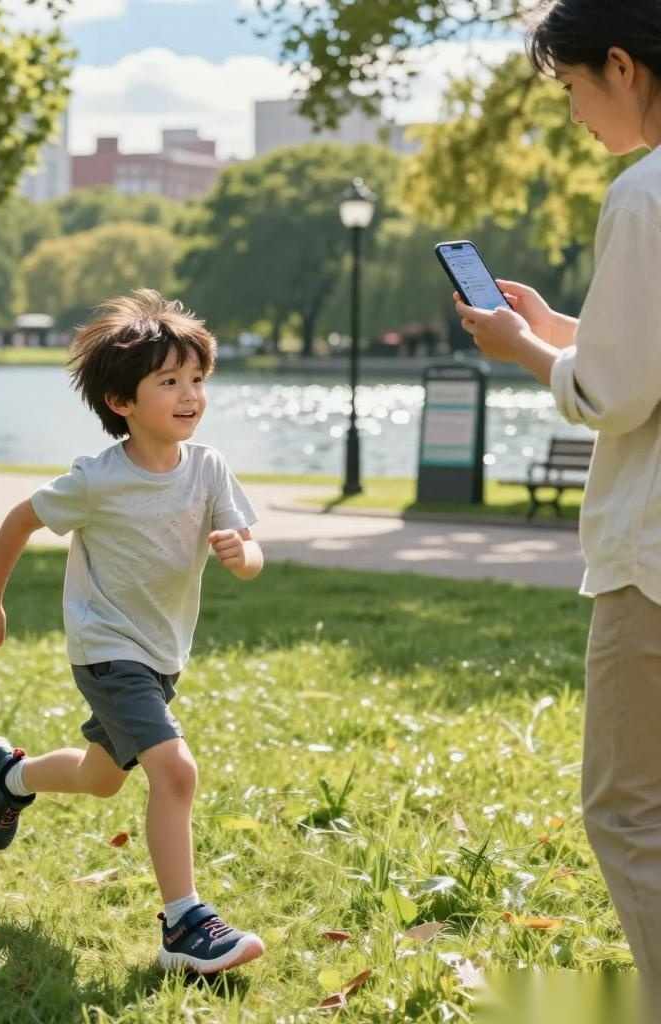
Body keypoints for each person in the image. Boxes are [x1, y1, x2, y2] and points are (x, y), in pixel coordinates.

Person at [452, 2, 661, 1013]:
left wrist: (524, 350)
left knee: (624, 808)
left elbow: (615, 395)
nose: (576, 112)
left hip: (653, 557)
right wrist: (566, 328)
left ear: (620, 64)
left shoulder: (644, 195)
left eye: (575, 87)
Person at [0, 290, 266, 975]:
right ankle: (185, 926)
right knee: (175, 771)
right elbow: (20, 520)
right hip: (106, 651)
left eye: (197, 380)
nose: (190, 395)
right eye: (168, 382)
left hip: (163, 654)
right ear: (121, 403)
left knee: (102, 779)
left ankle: (10, 778)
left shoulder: (210, 468)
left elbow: (251, 553)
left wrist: (239, 556)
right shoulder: (97, 481)